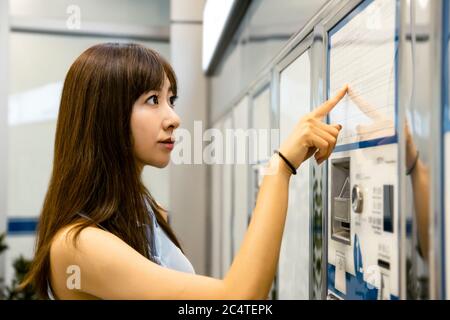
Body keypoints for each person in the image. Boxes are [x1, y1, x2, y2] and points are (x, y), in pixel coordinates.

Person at [20, 43, 347, 299]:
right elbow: (239, 297)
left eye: (170, 99)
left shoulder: (144, 212)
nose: (173, 117)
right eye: (152, 100)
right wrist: (281, 168)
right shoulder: (78, 245)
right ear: (105, 115)